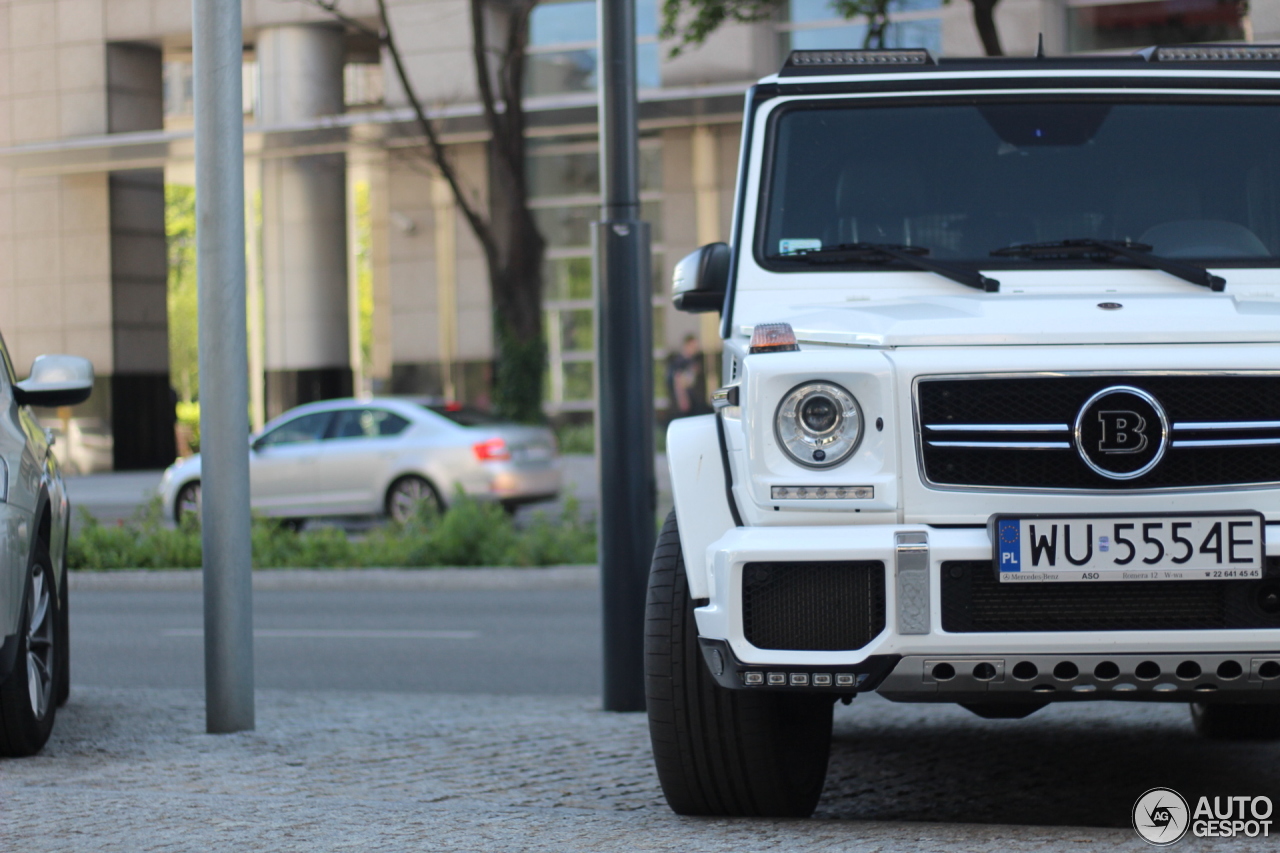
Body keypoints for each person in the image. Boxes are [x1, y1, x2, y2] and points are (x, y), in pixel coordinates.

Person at [666, 334, 711, 420]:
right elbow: (679, 383)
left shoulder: (693, 361)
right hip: (685, 409)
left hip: (694, 406)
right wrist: (683, 401)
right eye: (693, 346)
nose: (695, 349)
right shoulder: (680, 363)